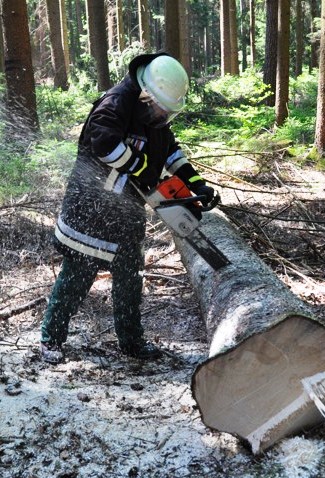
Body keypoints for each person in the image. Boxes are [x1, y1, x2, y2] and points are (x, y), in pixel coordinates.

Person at [40, 52, 214, 364]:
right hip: (93, 207)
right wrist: (141, 166)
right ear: (148, 94)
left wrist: (195, 183)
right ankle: (51, 337)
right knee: (78, 274)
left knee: (130, 274)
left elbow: (169, 149)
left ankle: (131, 341)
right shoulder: (116, 103)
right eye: (161, 107)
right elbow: (103, 143)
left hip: (127, 208)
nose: (163, 115)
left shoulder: (153, 115)